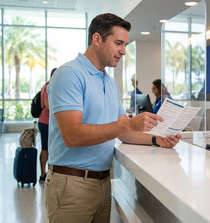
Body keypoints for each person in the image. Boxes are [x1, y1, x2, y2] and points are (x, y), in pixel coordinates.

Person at [44, 13, 181, 223]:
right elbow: (72, 135)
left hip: (103, 182)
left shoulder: (109, 82)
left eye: (125, 45)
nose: (123, 51)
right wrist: (127, 124)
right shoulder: (69, 74)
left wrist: (155, 139)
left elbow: (123, 133)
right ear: (97, 39)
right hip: (72, 184)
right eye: (118, 43)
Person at [38, 67, 57, 183]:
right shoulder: (50, 87)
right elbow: (48, 105)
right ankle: (43, 173)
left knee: (47, 148)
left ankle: (45, 173)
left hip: (46, 121)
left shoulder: (46, 86)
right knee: (46, 149)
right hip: (46, 122)